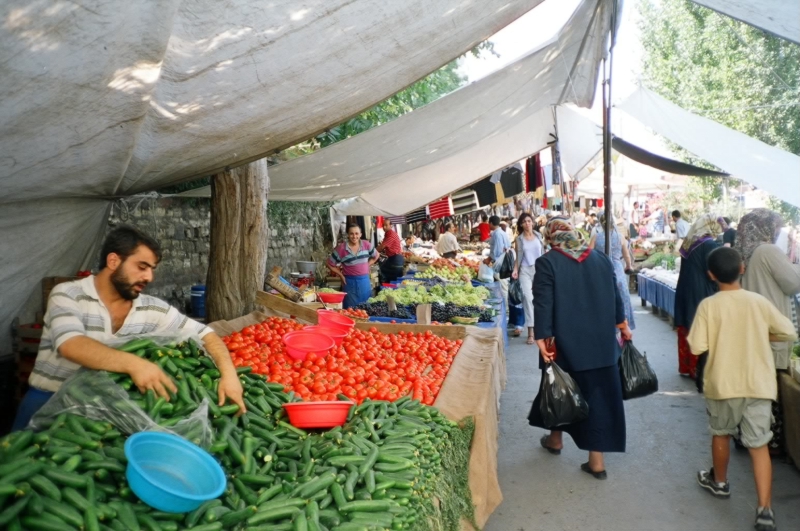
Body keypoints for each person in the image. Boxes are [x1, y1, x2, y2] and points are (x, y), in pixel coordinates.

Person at [12, 226, 245, 431]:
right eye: (142, 267)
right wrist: (135, 364)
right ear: (114, 261)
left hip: (100, 409)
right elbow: (71, 345)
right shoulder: (68, 294)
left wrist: (229, 375)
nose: (149, 277)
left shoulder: (152, 309)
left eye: (152, 269)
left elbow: (206, 334)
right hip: (46, 400)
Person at [687, 247, 796, 531]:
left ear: (711, 275)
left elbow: (697, 346)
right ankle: (765, 510)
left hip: (723, 385)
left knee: (721, 433)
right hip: (759, 384)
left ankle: (719, 482)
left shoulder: (709, 306)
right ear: (742, 269)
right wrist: (762, 333)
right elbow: (789, 331)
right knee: (759, 445)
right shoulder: (758, 302)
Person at [529, 217, 632, 478]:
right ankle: (595, 461)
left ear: (550, 237)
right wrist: (622, 325)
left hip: (564, 343)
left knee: (559, 388)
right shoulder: (601, 259)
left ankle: (556, 440)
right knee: (598, 398)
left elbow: (543, 303)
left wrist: (542, 336)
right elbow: (617, 295)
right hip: (600, 343)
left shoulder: (548, 262)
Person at [737, 208, 800, 456]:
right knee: (769, 390)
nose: (777, 232)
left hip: (754, 330)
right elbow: (793, 283)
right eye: (776, 227)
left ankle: (748, 436)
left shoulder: (745, 251)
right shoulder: (768, 251)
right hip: (772, 329)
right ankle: (767, 443)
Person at [674, 214, 727, 379]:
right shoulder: (709, 244)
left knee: (688, 326)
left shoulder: (690, 242)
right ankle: (699, 368)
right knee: (700, 326)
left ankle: (687, 366)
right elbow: (712, 271)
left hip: (685, 288)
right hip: (700, 290)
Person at [589, 214, 635, 330]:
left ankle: (605, 326)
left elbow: (588, 254)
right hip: (618, 269)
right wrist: (629, 266)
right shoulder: (620, 237)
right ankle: (625, 325)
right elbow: (626, 255)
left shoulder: (596, 237)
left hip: (601, 270)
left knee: (603, 298)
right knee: (623, 297)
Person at [327, 224, 379, 308]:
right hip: (349, 283)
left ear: (360, 234)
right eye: (351, 233)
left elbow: (376, 255)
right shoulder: (341, 248)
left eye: (356, 233)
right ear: (348, 235)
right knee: (350, 311)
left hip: (364, 282)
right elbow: (329, 263)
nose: (354, 236)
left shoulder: (366, 245)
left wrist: (367, 265)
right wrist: (340, 275)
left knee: (366, 310)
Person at [512, 213, 544, 344]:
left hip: (539, 270)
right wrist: (515, 270)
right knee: (528, 299)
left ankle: (541, 329)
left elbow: (543, 253)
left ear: (533, 222)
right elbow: (518, 257)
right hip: (525, 270)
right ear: (521, 224)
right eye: (524, 221)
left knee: (540, 299)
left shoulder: (539, 236)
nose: (527, 223)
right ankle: (531, 332)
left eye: (529, 221)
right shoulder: (519, 240)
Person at [484, 215, 511, 311]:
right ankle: (505, 307)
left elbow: (497, 251)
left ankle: (505, 309)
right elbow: (508, 245)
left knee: (503, 286)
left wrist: (489, 259)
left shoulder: (497, 234)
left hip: (500, 263)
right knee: (503, 285)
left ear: (491, 223)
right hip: (504, 261)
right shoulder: (502, 232)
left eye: (488, 223)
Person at [376, 219, 405, 283]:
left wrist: (371, 251)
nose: (384, 227)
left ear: (391, 226)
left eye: (386, 225)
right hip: (395, 259)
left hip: (396, 260)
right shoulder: (387, 234)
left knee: (382, 271)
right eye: (383, 225)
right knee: (394, 280)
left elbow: (381, 247)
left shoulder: (390, 235)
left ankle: (384, 286)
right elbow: (384, 247)